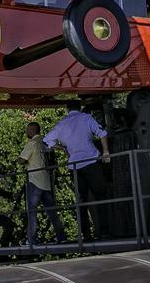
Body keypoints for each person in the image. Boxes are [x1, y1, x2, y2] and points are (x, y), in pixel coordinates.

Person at [44, 100, 111, 240]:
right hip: (91, 161)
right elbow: (102, 133)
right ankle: (105, 231)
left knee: (81, 200)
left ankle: (86, 235)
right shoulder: (86, 118)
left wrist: (63, 149)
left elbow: (47, 140)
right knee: (101, 195)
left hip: (74, 166)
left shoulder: (61, 124)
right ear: (79, 108)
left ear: (67, 109)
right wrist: (105, 151)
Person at [19, 121, 66, 246]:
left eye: (28, 130)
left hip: (34, 181)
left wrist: (19, 160)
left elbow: (22, 160)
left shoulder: (31, 143)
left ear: (33, 130)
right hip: (46, 181)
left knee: (32, 211)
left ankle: (32, 238)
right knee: (52, 211)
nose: (26, 132)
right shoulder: (44, 142)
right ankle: (61, 236)